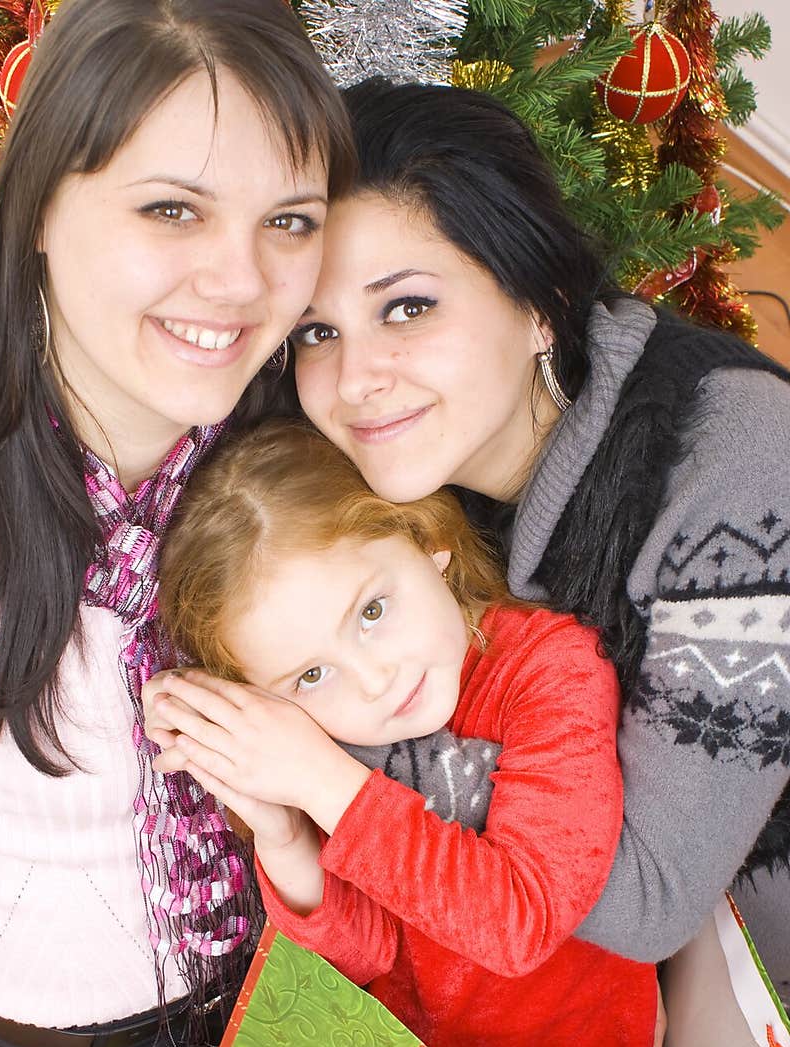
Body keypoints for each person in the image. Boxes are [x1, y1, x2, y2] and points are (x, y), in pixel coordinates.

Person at [0, 0, 355, 1047]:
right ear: (40, 205)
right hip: (59, 1043)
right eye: (173, 209)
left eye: (290, 222)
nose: (242, 281)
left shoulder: (287, 461)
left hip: (268, 972)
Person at [283, 76, 790, 999]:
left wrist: (315, 757)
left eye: (407, 307)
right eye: (317, 330)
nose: (355, 379)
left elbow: (646, 891)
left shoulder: (741, 471)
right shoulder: (421, 481)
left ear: (540, 303)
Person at [144, 418, 661, 1047]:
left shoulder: (551, 668)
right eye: (310, 675)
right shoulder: (329, 743)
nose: (376, 677)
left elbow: (523, 917)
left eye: (372, 611)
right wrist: (285, 832)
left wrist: (325, 780)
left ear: (427, 544)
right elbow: (371, 954)